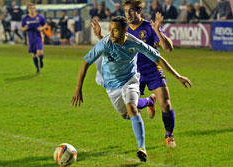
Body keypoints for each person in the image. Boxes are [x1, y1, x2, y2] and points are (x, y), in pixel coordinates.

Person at [72, 16, 192, 162]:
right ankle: (149, 101)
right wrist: (78, 88)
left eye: (115, 30)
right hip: (111, 85)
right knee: (125, 115)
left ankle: (142, 148)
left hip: (130, 80)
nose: (111, 33)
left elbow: (158, 58)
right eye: (110, 30)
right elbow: (85, 63)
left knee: (132, 108)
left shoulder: (134, 43)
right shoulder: (105, 43)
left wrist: (178, 76)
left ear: (125, 31)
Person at [91, 0, 181, 148]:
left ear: (139, 11)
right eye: (126, 11)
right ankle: (149, 102)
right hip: (132, 74)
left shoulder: (149, 27)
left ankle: (169, 136)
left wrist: (158, 30)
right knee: (128, 112)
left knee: (165, 105)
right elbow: (111, 46)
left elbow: (168, 48)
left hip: (153, 70)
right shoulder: (123, 28)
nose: (128, 14)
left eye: (131, 11)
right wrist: (100, 35)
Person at [21, 3, 47, 73]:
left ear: (35, 9)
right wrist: (24, 28)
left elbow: (45, 25)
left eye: (33, 8)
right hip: (30, 38)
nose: (32, 10)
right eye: (30, 8)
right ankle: (38, 69)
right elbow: (22, 28)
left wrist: (41, 28)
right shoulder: (25, 18)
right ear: (28, 9)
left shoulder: (39, 17)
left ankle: (41, 60)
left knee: (40, 53)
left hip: (38, 37)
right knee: (34, 54)